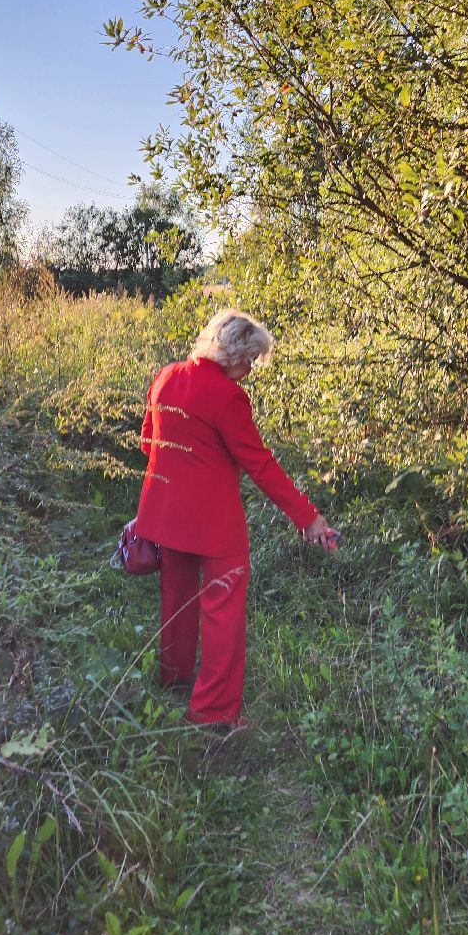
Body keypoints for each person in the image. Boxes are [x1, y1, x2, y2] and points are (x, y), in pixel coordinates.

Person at [134, 308, 336, 727]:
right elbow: (259, 464)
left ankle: (174, 679)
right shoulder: (227, 397)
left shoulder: (166, 376)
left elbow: (147, 442)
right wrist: (308, 518)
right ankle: (212, 711)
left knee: (176, 600)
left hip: (166, 514)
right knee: (222, 612)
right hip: (214, 524)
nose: (251, 370)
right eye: (251, 360)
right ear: (235, 354)